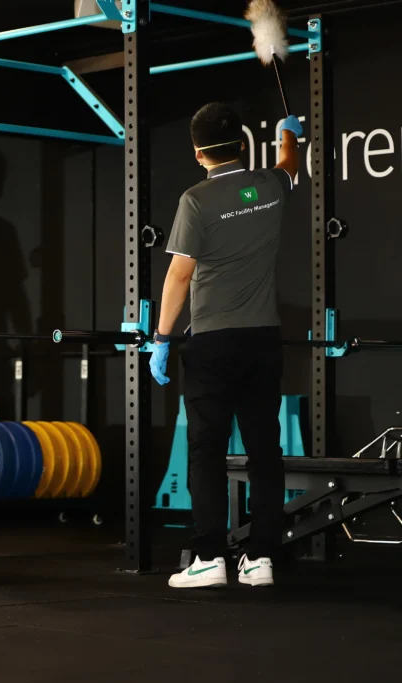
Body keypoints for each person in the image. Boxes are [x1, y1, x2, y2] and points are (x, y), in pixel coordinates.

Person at [150, 103, 302, 589]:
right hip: (263, 341)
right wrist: (287, 136)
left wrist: (161, 338)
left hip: (212, 342)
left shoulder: (195, 200)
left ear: (198, 154)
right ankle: (261, 559)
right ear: (242, 144)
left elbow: (179, 273)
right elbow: (288, 167)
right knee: (264, 451)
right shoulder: (271, 187)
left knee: (207, 450)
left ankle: (211, 557)